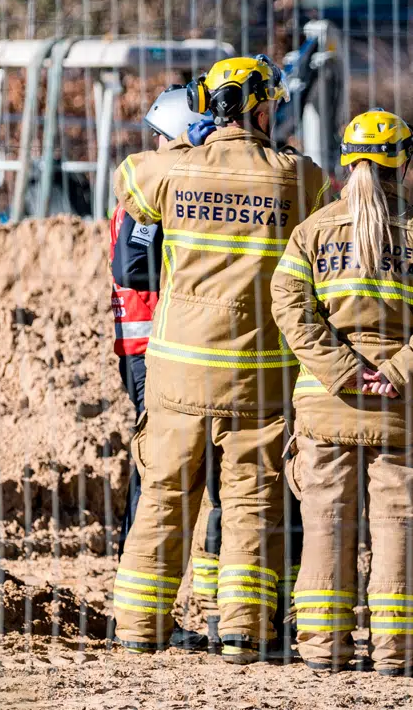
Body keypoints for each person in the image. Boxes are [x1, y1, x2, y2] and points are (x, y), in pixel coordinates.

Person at [111, 54, 329, 662]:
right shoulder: (298, 177)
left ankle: (137, 626)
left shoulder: (174, 170)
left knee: (163, 494)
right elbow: (328, 215)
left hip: (177, 369)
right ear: (261, 108)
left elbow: (128, 177)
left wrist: (190, 144)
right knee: (252, 501)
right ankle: (243, 631)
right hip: (257, 374)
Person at [271, 108, 413, 677]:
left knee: (325, 523)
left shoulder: (311, 232)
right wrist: (401, 368)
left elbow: (289, 306)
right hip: (400, 408)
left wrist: (342, 370)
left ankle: (321, 649)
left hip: (326, 404)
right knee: (399, 527)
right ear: (403, 163)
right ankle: (397, 653)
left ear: (345, 161)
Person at [108, 87, 220, 651]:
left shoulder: (156, 181)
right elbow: (133, 266)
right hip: (156, 349)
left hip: (162, 348)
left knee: (167, 474)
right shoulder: (157, 188)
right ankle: (143, 613)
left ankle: (152, 611)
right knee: (159, 477)